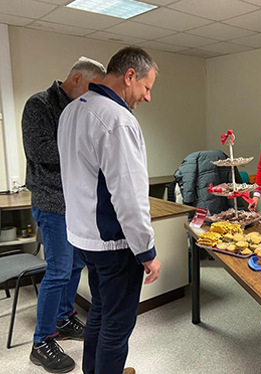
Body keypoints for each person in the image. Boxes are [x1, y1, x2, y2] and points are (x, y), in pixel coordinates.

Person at [58, 46, 161, 374]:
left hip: (83, 238)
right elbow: (130, 196)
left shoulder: (72, 110)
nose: (147, 97)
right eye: (146, 87)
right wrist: (147, 251)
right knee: (118, 326)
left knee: (99, 312)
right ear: (129, 76)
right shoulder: (118, 120)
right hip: (114, 245)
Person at [22, 57, 106, 373]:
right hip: (52, 202)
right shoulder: (39, 105)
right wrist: (83, 147)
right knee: (58, 269)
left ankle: (63, 317)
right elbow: (40, 151)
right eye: (91, 87)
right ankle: (41, 342)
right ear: (75, 79)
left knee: (76, 264)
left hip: (77, 202)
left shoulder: (82, 107)